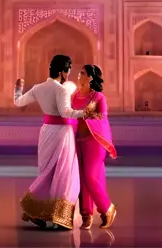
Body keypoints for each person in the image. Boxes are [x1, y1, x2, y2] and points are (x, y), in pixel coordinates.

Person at [13, 54, 97, 230]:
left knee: (47, 172)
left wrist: (18, 87)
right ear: (62, 71)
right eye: (68, 70)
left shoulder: (38, 87)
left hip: (46, 132)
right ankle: (59, 216)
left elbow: (18, 102)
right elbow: (66, 112)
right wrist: (84, 113)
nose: (69, 73)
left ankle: (37, 211)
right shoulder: (61, 90)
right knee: (64, 173)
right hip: (61, 133)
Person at [72, 64, 117, 230]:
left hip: (94, 141)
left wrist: (86, 116)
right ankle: (86, 215)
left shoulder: (98, 97)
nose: (79, 75)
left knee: (90, 176)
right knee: (81, 178)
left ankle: (107, 208)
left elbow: (103, 119)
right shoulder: (74, 96)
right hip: (78, 140)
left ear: (90, 77)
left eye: (82, 73)